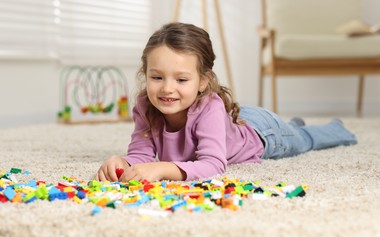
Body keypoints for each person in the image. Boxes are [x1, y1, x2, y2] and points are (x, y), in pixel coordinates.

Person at [95, 22, 357, 182]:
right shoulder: (145, 105)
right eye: (157, 77)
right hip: (240, 120)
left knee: (303, 140)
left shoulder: (208, 107)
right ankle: (292, 125)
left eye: (181, 80)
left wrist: (164, 168)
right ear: (145, 73)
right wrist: (123, 162)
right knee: (292, 128)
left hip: (264, 134)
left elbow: (213, 165)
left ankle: (335, 128)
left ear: (202, 81)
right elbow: (141, 155)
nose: (167, 89)